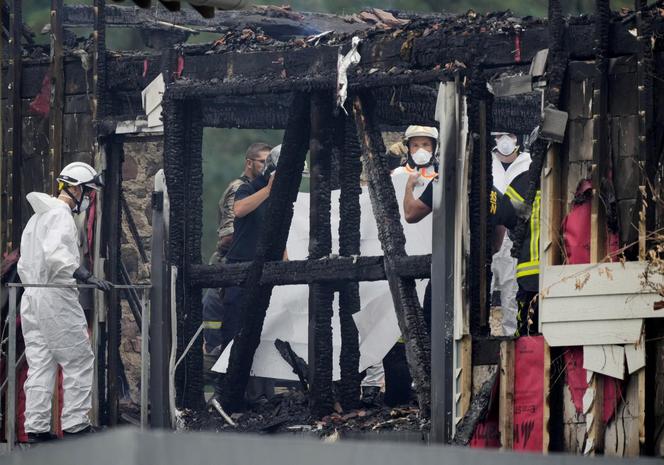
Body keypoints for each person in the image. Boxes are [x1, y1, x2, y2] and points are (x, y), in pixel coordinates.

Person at [17, 162, 111, 443]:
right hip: (55, 295)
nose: (89, 199)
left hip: (31, 295)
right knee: (79, 359)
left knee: (41, 361)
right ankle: (75, 426)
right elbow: (56, 256)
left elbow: (27, 261)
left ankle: (36, 429)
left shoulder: (38, 218)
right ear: (75, 188)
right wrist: (86, 275)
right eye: (88, 193)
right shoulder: (60, 215)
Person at [203, 143, 271, 373]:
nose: (267, 166)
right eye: (262, 161)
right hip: (229, 264)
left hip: (245, 264)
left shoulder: (259, 189)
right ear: (249, 162)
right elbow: (229, 237)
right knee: (224, 329)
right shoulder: (240, 188)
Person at [489, 133, 531, 335]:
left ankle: (510, 342)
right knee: (480, 293)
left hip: (514, 239)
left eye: (510, 135)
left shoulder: (528, 163)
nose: (505, 140)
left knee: (511, 295)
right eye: (500, 135)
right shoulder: (484, 161)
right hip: (487, 237)